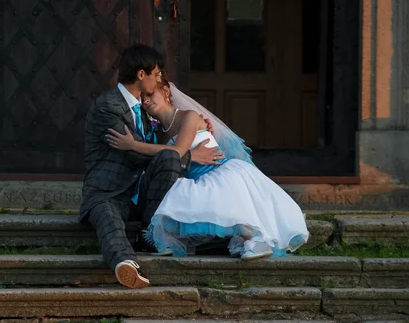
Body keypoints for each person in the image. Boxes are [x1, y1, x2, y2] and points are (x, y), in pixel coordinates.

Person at [106, 77, 309, 260]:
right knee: (181, 195)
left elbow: (177, 151)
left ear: (166, 91)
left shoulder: (190, 117)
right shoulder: (158, 135)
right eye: (142, 98)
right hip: (194, 179)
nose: (146, 101)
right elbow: (171, 163)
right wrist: (191, 157)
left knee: (211, 196)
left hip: (220, 173)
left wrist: (132, 145)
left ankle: (253, 237)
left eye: (150, 94)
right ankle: (238, 239)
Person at [79, 44, 222, 289]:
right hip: (109, 192)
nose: (159, 78)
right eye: (155, 73)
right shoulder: (108, 107)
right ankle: (125, 264)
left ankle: (149, 233)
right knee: (108, 219)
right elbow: (133, 154)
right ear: (140, 74)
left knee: (168, 158)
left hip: (140, 192)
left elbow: (165, 137)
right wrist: (189, 157)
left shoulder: (145, 110)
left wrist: (197, 125)